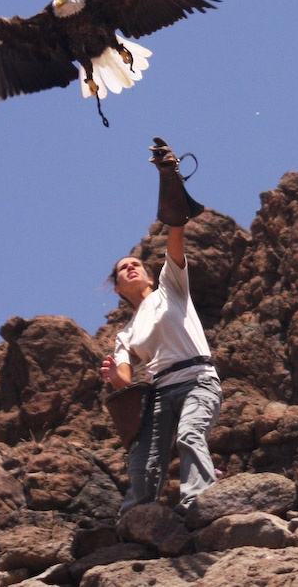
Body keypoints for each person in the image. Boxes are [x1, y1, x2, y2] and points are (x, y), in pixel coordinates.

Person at [101, 137, 222, 517]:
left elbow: (175, 231)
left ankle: (199, 505)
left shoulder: (171, 287)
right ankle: (135, 518)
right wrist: (115, 378)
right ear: (118, 288)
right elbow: (125, 379)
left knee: (190, 435)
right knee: (143, 460)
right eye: (122, 269)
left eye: (135, 264)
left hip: (197, 379)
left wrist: (170, 180)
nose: (130, 268)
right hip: (157, 393)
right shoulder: (125, 334)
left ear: (149, 274)